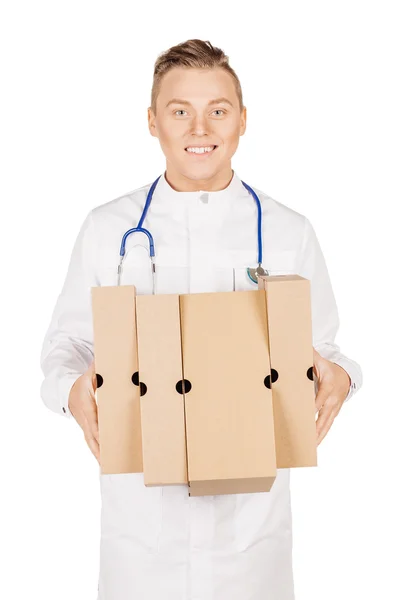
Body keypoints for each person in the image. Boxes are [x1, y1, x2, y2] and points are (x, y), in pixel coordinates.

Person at [40, 38, 363, 600]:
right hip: (141, 534)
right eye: (179, 110)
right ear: (151, 122)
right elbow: (66, 342)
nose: (199, 127)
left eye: (218, 109)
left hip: (251, 538)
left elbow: (324, 349)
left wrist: (342, 377)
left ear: (242, 121)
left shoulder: (290, 232)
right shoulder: (106, 228)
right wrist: (71, 390)